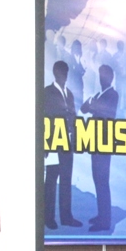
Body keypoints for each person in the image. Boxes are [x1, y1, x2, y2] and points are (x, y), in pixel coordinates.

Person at [43, 60, 81, 229]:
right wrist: (45, 145)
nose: (63, 76)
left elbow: (73, 117)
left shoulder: (69, 94)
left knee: (66, 180)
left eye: (65, 73)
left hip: (67, 145)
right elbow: (44, 119)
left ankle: (66, 217)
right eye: (61, 72)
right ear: (55, 73)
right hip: (53, 144)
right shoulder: (47, 92)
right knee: (51, 182)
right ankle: (48, 218)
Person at [81, 64, 119, 231]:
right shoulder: (99, 95)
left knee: (102, 182)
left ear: (110, 78)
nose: (101, 79)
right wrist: (92, 104)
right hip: (95, 144)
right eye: (100, 75)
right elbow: (83, 109)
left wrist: (93, 105)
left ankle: (105, 221)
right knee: (97, 181)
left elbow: (104, 112)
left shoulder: (113, 95)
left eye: (104, 76)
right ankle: (101, 215)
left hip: (104, 145)